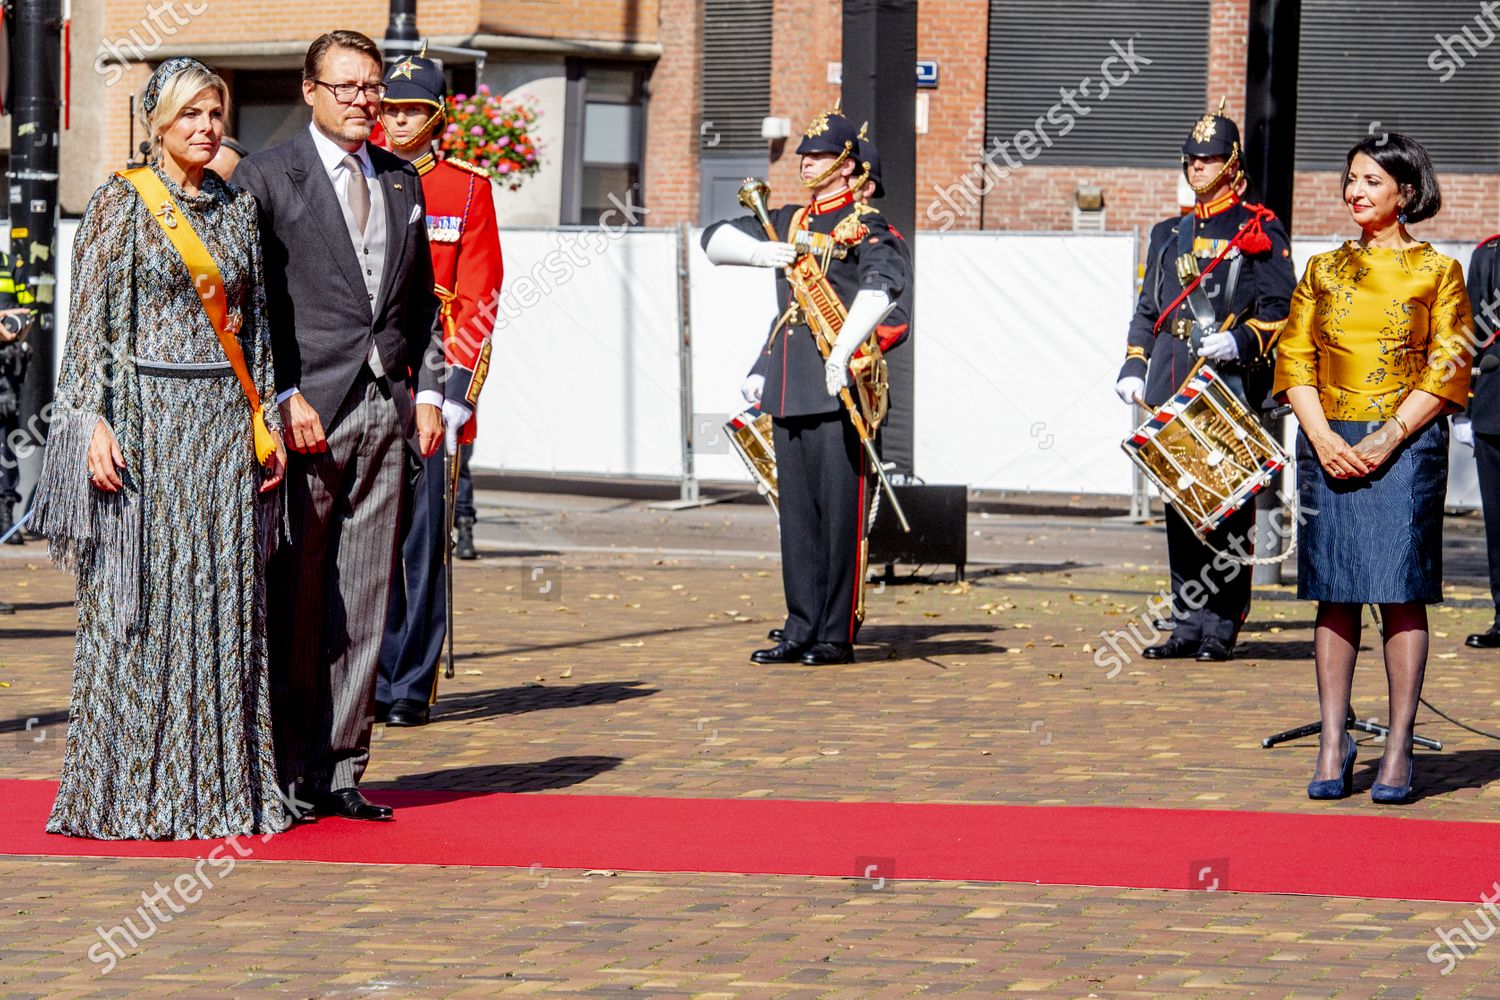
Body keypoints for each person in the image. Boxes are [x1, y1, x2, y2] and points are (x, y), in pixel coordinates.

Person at [30, 58, 289, 838]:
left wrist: (264, 422)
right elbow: (89, 328)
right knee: (141, 600)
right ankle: (132, 788)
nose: (207, 128)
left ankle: (215, 787)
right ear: (158, 124)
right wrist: (87, 421)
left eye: (216, 114)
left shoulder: (238, 210)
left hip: (219, 425)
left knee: (219, 601)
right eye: (191, 117)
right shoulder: (120, 203)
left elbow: (260, 330)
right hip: (144, 419)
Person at [235, 29, 445, 821]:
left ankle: (341, 767)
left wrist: (429, 391)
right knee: (296, 595)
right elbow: (245, 307)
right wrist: (279, 394)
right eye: (349, 86)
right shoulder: (265, 178)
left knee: (364, 594)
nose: (367, 101)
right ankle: (285, 768)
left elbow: (422, 305)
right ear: (310, 91)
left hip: (384, 408)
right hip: (304, 417)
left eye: (373, 86)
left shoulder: (401, 181)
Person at [1275, 133, 1473, 804]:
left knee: (1399, 590)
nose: (1356, 191)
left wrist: (1389, 436)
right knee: (1334, 592)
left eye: (1372, 182)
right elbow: (1294, 359)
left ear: (1406, 193)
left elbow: (1449, 366)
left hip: (1407, 447)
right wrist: (1322, 435)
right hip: (1329, 441)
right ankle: (1334, 740)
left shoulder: (1436, 271)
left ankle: (1397, 747)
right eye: (1351, 179)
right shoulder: (1323, 270)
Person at [704, 107, 909, 666]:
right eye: (805, 153)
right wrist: (757, 252)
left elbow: (884, 289)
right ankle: (800, 624)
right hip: (792, 380)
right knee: (795, 515)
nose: (806, 161)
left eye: (818, 154)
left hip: (839, 384)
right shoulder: (790, 221)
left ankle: (835, 632)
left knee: (840, 515)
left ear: (847, 164)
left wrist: (843, 351)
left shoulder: (867, 225)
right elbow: (713, 238)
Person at [1113, 106, 1295, 662]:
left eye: (1209, 158)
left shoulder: (1258, 228)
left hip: (1228, 381)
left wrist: (1240, 343)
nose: (1197, 168)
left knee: (1227, 505)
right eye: (1191, 159)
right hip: (1173, 372)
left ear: (1232, 162)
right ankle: (1186, 619)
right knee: (1181, 501)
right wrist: (1133, 364)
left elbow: (1282, 310)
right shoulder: (1168, 233)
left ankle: (1223, 620)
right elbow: (1148, 309)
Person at [375, 51, 502, 728]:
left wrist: (456, 393)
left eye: (412, 111)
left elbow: (480, 296)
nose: (399, 122)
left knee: (422, 544)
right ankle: (366, 672)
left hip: (437, 380)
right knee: (366, 539)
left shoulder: (466, 189)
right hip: (372, 379)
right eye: (391, 109)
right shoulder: (361, 174)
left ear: (436, 117)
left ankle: (408, 683)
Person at [1456, 236, 1500, 648]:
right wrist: (1463, 411)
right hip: (1494, 407)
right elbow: (1467, 334)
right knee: (1498, 524)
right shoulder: (1487, 254)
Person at [0, 247, 37, 546]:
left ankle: (5, 514)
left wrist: (14, 328)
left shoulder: (12, 266)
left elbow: (30, 312)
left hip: (5, 371)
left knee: (5, 442)